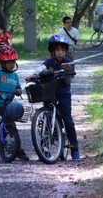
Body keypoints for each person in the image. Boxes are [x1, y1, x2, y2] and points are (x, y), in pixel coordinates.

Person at [26, 33, 80, 161]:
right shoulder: (49, 62)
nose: (60, 53)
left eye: (62, 50)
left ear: (66, 51)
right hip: (49, 94)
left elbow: (68, 81)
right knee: (45, 119)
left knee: (67, 120)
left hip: (63, 94)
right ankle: (44, 148)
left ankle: (75, 149)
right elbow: (41, 68)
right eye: (57, 50)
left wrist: (67, 71)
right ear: (52, 52)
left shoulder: (67, 63)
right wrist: (33, 75)